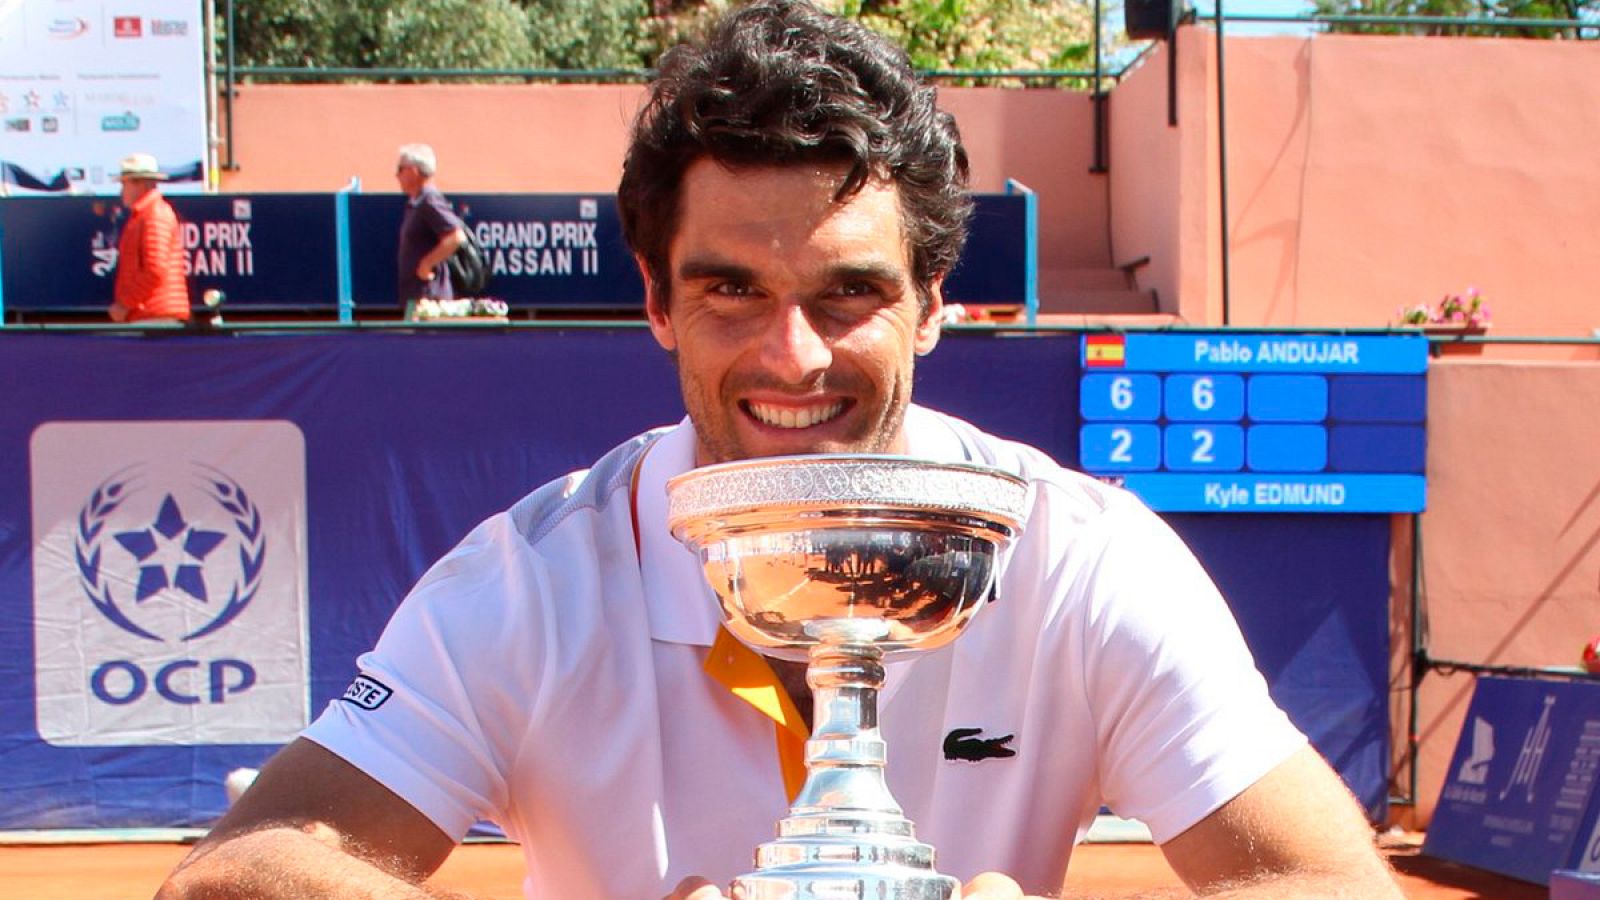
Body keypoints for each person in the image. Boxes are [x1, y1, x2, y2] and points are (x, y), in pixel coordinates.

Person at [157, 3, 1403, 898]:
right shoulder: (534, 578)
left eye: (848, 294)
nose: (792, 357)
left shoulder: (1080, 554)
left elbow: (1323, 878)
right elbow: (241, 871)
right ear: (654, 302)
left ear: (932, 301)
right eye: (730, 291)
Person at [108, 152, 189, 324]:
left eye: (124, 184)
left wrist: (125, 304)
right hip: (150, 315)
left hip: (154, 318)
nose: (121, 191)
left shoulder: (154, 215)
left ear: (140, 184)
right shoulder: (147, 214)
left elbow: (155, 270)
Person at [394, 143, 468, 315]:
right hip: (416, 297)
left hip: (429, 300)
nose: (396, 175)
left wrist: (426, 264)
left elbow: (456, 237)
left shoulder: (429, 199)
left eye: (400, 169)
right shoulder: (417, 202)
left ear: (414, 171)